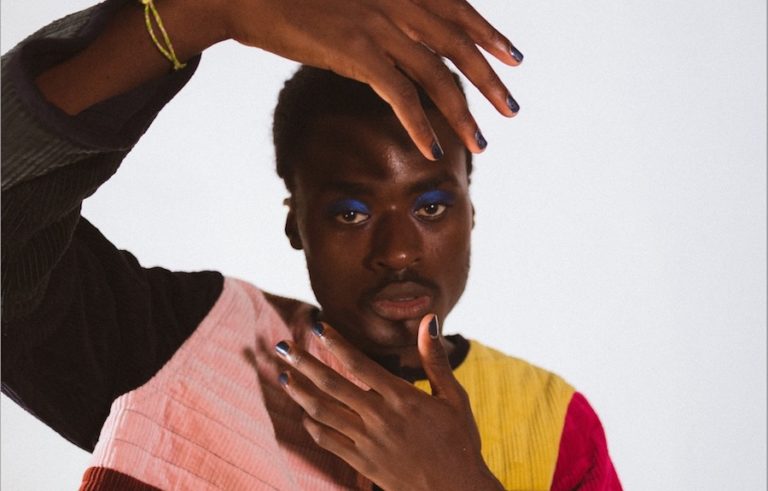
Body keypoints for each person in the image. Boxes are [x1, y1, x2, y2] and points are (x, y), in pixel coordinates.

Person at [1, 0, 621, 489]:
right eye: (351, 213)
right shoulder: (181, 343)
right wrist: (201, 14)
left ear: (470, 213)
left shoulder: (552, 420)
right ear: (297, 224)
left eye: (431, 206)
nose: (398, 252)